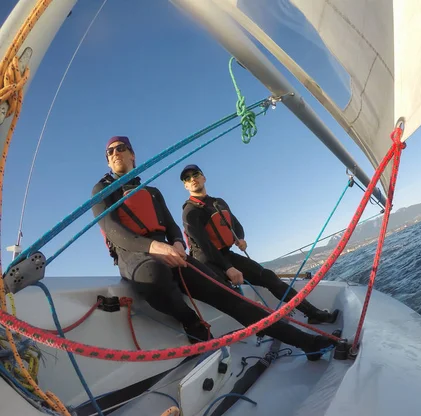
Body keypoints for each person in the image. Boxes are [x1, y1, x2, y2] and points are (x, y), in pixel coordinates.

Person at [91, 136, 334, 360]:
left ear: (132, 154)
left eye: (120, 148)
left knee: (229, 295)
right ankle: (192, 323)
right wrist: (154, 246)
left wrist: (175, 242)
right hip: (133, 255)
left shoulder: (152, 193)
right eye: (109, 152)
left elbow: (172, 227)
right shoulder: (101, 191)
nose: (114, 153)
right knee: (155, 274)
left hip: (169, 251)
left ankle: (307, 343)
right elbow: (113, 229)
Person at [179, 164, 339, 325]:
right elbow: (204, 245)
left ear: (203, 178)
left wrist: (240, 238)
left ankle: (313, 314)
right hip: (207, 261)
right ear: (185, 185)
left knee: (268, 276)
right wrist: (228, 268)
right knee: (234, 297)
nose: (192, 179)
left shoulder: (218, 202)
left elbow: (236, 225)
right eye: (187, 178)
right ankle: (268, 329)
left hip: (225, 254)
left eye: (196, 174)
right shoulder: (190, 212)